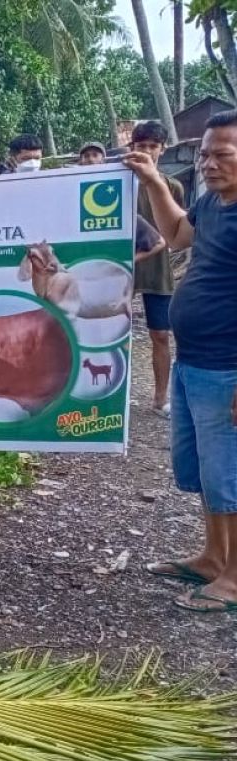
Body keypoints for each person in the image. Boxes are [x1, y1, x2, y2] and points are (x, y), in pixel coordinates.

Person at [124, 110, 237, 613]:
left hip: (227, 366)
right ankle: (214, 558)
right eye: (205, 154)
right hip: (195, 362)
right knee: (205, 472)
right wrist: (152, 180)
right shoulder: (212, 202)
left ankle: (234, 579)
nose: (210, 164)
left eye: (223, 155)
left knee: (230, 474)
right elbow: (176, 233)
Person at [128, 121, 186, 417]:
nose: (147, 151)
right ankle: (113, 398)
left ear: (162, 150)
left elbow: (177, 233)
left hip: (158, 269)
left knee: (161, 335)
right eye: (141, 146)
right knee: (110, 331)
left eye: (153, 146)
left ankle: (160, 398)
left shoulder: (172, 186)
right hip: (121, 269)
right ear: (132, 148)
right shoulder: (116, 182)